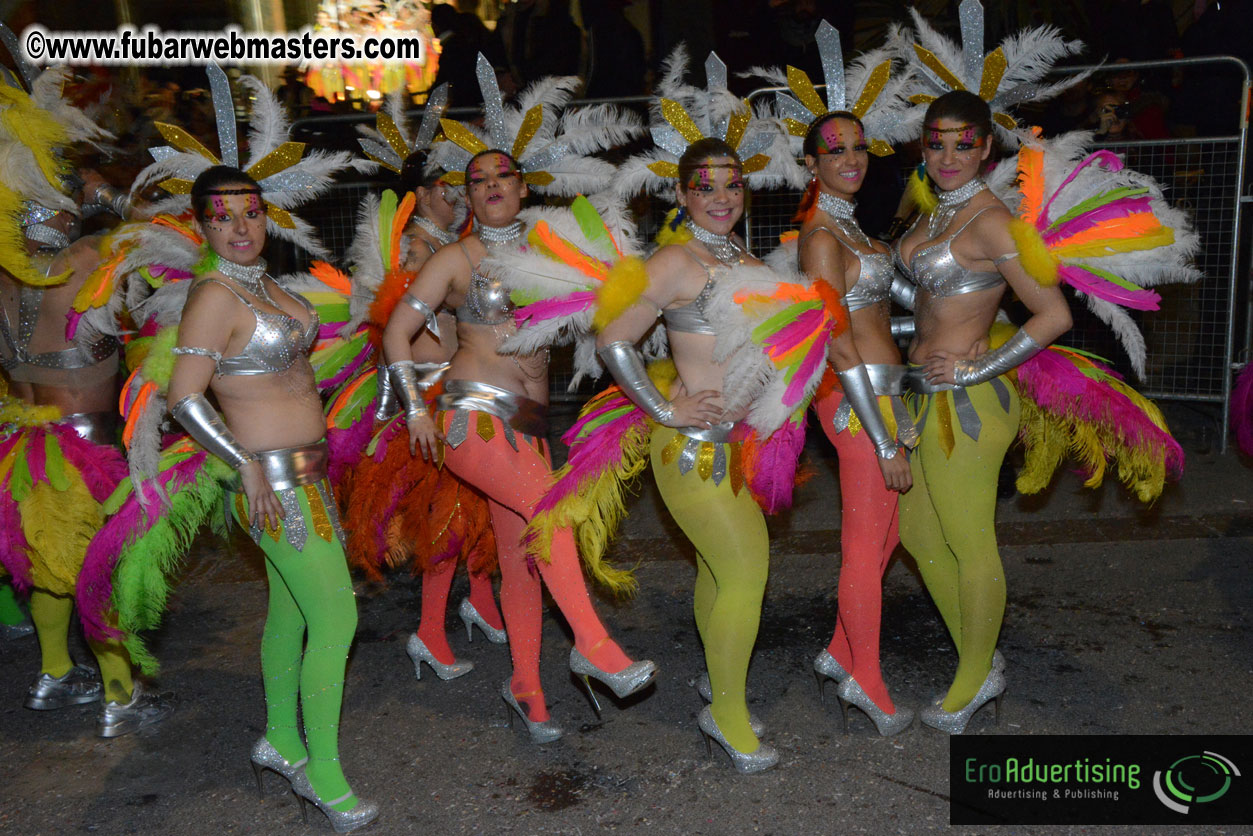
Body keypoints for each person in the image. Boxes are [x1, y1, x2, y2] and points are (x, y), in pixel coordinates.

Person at [383, 148, 656, 743]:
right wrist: (414, 410)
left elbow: (611, 304)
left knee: (523, 561)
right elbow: (396, 332)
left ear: (522, 187)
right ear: (467, 196)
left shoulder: (550, 251)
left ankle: (527, 688)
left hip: (532, 426)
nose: (491, 186)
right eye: (477, 180)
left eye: (502, 176)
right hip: (472, 414)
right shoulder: (456, 258)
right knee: (552, 517)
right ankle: (593, 644)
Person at [166, 166, 378, 831]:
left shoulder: (264, 284)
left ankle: (282, 739)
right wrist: (244, 465)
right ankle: (323, 773)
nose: (239, 227)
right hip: (270, 488)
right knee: (337, 620)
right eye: (222, 216)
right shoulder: (214, 295)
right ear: (202, 226)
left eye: (251, 213)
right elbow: (183, 397)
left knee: (289, 616)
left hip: (309, 476)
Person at [596, 139, 785, 772]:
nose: (721, 198)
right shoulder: (676, 261)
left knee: (718, 572)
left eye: (732, 185)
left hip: (739, 447)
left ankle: (720, 687)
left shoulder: (752, 263)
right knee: (747, 573)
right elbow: (613, 339)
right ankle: (726, 716)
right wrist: (664, 409)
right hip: (691, 448)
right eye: (705, 187)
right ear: (681, 194)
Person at [893, 91, 1072, 733]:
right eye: (936, 143)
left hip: (967, 403)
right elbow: (929, 304)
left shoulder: (993, 222)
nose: (948, 156)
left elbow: (1053, 314)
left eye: (963, 144)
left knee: (970, 541)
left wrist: (980, 366)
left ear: (987, 148)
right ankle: (981, 655)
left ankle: (972, 679)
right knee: (918, 536)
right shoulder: (937, 209)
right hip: (919, 393)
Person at [797, 111, 916, 736]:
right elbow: (839, 344)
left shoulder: (852, 229)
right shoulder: (822, 237)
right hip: (854, 400)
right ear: (811, 163)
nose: (851, 159)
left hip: (883, 390)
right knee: (864, 547)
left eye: (859, 147)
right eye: (835, 149)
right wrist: (882, 437)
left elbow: (879, 317)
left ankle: (840, 653)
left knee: (888, 535)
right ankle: (866, 680)